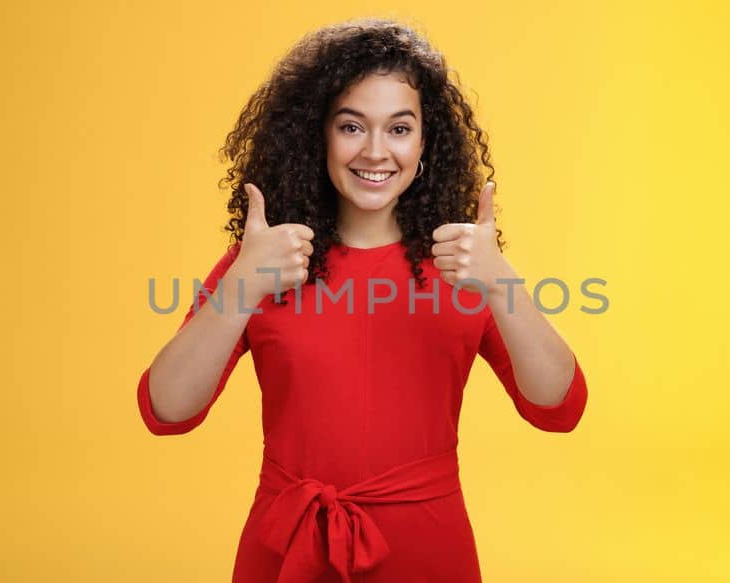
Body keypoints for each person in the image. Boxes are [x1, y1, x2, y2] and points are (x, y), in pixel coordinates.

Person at [136, 18, 589, 583]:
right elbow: (166, 411)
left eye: (399, 129)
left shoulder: (466, 262)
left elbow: (558, 408)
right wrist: (238, 287)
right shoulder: (264, 259)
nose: (376, 152)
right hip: (288, 548)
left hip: (428, 551)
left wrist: (504, 286)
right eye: (352, 127)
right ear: (318, 135)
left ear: (426, 142)